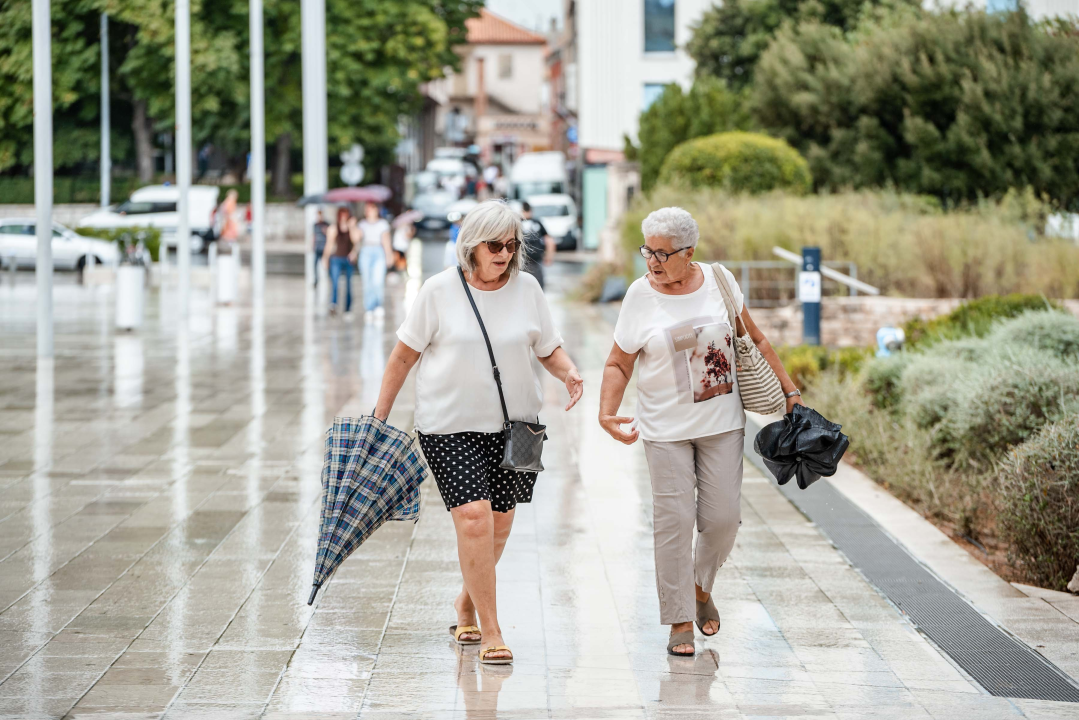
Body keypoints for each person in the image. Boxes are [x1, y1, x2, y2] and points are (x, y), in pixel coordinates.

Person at [372, 200, 584, 665]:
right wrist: (379, 417)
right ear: (472, 245)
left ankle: (467, 601)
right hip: (448, 426)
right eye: (495, 245)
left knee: (500, 524)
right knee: (474, 517)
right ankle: (490, 628)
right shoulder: (438, 291)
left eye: (512, 245)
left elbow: (548, 349)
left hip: (517, 427)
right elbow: (404, 356)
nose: (505, 254)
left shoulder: (528, 289)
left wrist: (568, 373)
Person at [597, 207, 805, 657]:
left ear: (689, 253)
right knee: (674, 523)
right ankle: (678, 621)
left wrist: (791, 391)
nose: (652, 261)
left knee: (723, 519)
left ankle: (698, 585)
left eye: (663, 253)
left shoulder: (719, 281)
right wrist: (606, 411)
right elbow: (619, 361)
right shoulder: (638, 295)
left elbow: (757, 339)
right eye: (647, 250)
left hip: (722, 425)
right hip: (664, 428)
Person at [357, 202, 393, 321]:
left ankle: (378, 305)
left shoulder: (382, 224)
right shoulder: (362, 224)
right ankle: (369, 307)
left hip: (378, 251)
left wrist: (389, 255)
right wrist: (352, 226)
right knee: (367, 281)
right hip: (366, 250)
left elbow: (386, 241)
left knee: (377, 281)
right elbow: (356, 239)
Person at [322, 207, 359, 317]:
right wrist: (325, 258)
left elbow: (356, 241)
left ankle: (347, 308)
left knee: (349, 284)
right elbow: (329, 244)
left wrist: (351, 227)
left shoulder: (352, 228)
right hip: (336, 258)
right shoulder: (333, 228)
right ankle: (333, 304)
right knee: (335, 282)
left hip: (348, 259)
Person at [520, 202, 556, 290]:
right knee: (538, 287)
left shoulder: (517, 222)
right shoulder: (537, 222)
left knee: (522, 287)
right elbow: (550, 241)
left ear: (521, 210)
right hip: (536, 260)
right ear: (531, 211)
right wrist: (549, 256)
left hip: (521, 260)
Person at [312, 210, 329, 287]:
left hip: (324, 248)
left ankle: (328, 278)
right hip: (317, 247)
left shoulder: (326, 224)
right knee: (315, 265)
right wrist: (312, 245)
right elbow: (314, 236)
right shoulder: (315, 225)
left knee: (326, 264)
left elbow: (330, 235)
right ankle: (316, 279)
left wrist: (326, 231)